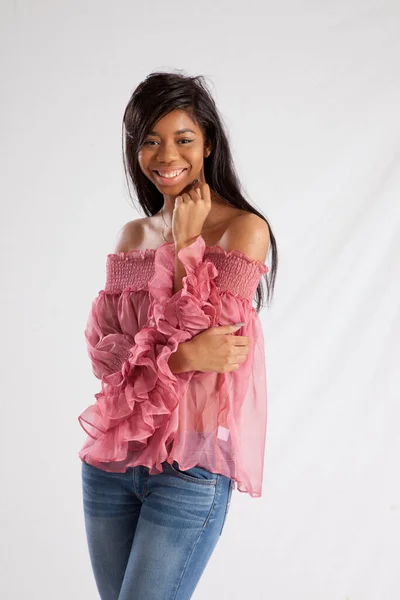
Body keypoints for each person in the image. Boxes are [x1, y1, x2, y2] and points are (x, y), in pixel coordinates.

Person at [78, 70, 277, 600]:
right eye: (150, 141)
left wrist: (187, 245)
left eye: (183, 139)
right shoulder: (132, 236)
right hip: (111, 466)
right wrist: (181, 359)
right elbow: (111, 365)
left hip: (187, 471)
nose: (167, 155)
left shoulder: (243, 231)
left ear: (207, 143)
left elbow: (218, 345)